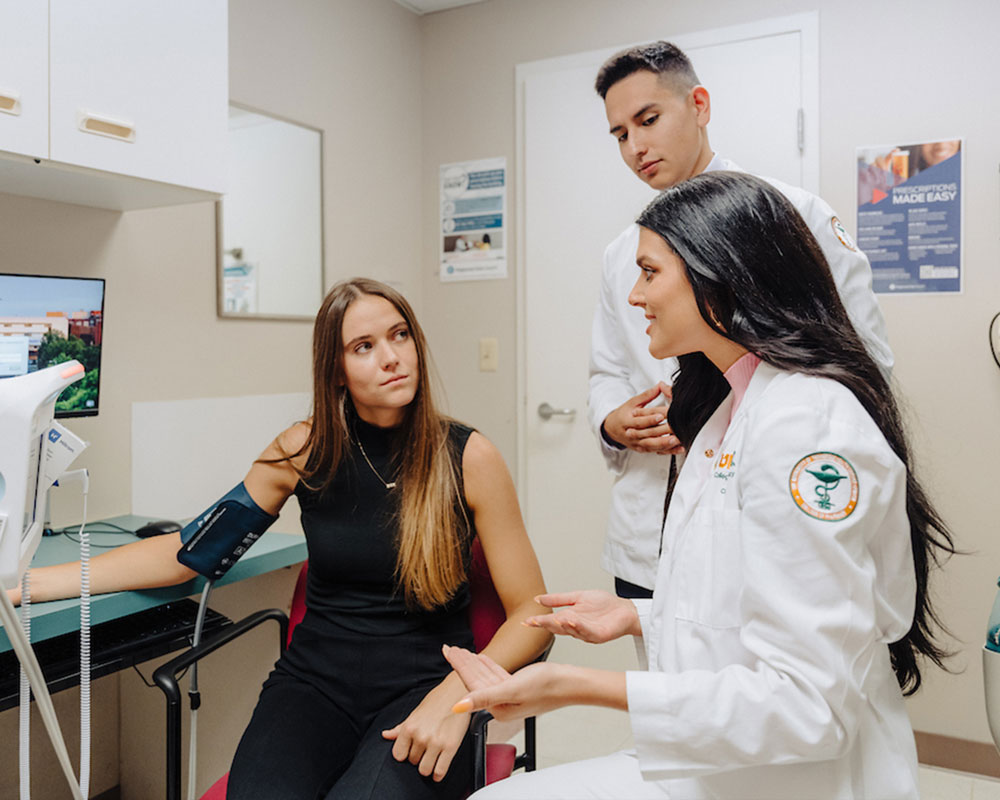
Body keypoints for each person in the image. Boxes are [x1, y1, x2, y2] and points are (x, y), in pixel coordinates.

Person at [444, 172, 955, 800]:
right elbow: (754, 603)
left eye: (650, 273)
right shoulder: (728, 410)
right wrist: (637, 615)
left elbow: (808, 704)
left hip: (806, 777)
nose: (634, 296)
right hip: (732, 766)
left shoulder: (806, 427)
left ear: (721, 274)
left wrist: (572, 687)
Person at [12, 278, 552, 800]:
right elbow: (189, 555)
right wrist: (25, 585)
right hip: (314, 686)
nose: (391, 357)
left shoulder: (468, 456)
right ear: (335, 371)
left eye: (400, 334)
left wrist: (457, 694)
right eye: (363, 346)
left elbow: (531, 610)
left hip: (425, 688)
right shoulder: (305, 450)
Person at [588, 41, 894, 600]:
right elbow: (607, 368)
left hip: (772, 509)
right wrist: (612, 420)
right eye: (620, 135)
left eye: (648, 119)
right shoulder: (620, 254)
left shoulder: (790, 216)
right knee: (664, 674)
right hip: (650, 528)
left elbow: (862, 363)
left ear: (699, 105)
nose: (636, 146)